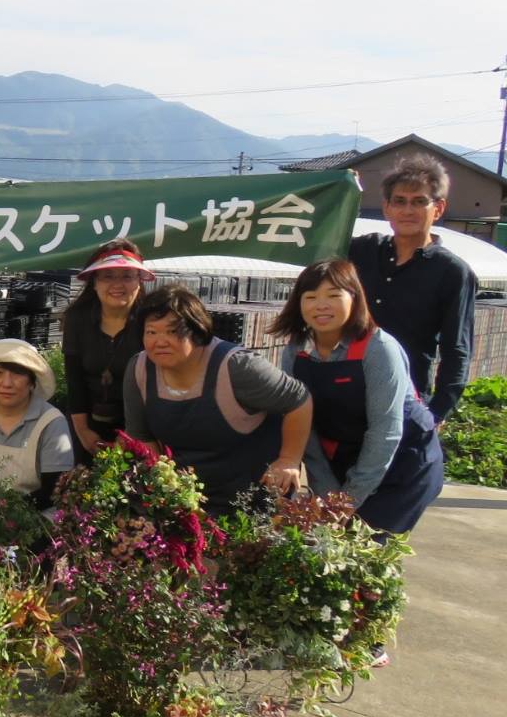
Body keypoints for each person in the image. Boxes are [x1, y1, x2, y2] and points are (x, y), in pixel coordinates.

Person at [270, 259, 443, 534]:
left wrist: (345, 502)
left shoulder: (379, 348)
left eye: (334, 295)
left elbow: (385, 431)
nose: (321, 305)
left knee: (368, 547)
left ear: (355, 298)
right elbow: (303, 423)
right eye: (311, 297)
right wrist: (326, 491)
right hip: (345, 461)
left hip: (401, 463)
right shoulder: (295, 351)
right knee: (328, 548)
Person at [123, 285, 312, 515]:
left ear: (197, 331)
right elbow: (142, 437)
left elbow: (298, 399)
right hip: (190, 501)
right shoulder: (139, 369)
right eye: (151, 332)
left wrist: (289, 459)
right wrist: (165, 488)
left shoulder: (238, 367)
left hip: (253, 500)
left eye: (173, 332)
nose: (160, 341)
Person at [348, 154, 476, 425]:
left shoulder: (452, 271)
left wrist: (435, 415)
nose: (408, 211)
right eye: (400, 201)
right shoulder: (363, 251)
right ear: (386, 208)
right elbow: (322, 238)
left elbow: (457, 351)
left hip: (406, 403)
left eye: (419, 202)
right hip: (345, 390)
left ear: (438, 208)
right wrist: (342, 189)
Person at [0, 339, 74, 509]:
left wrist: (10, 515)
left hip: (36, 516)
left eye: (17, 374)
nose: (7, 383)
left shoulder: (51, 423)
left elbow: (54, 491)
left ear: (32, 381)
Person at [62, 238, 153, 459]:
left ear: (139, 281)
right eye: (108, 276)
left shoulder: (151, 320)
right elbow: (74, 379)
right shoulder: (77, 319)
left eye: (127, 276)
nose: (117, 284)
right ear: (94, 282)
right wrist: (83, 431)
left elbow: (157, 384)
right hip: (88, 424)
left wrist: (132, 433)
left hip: (143, 427)